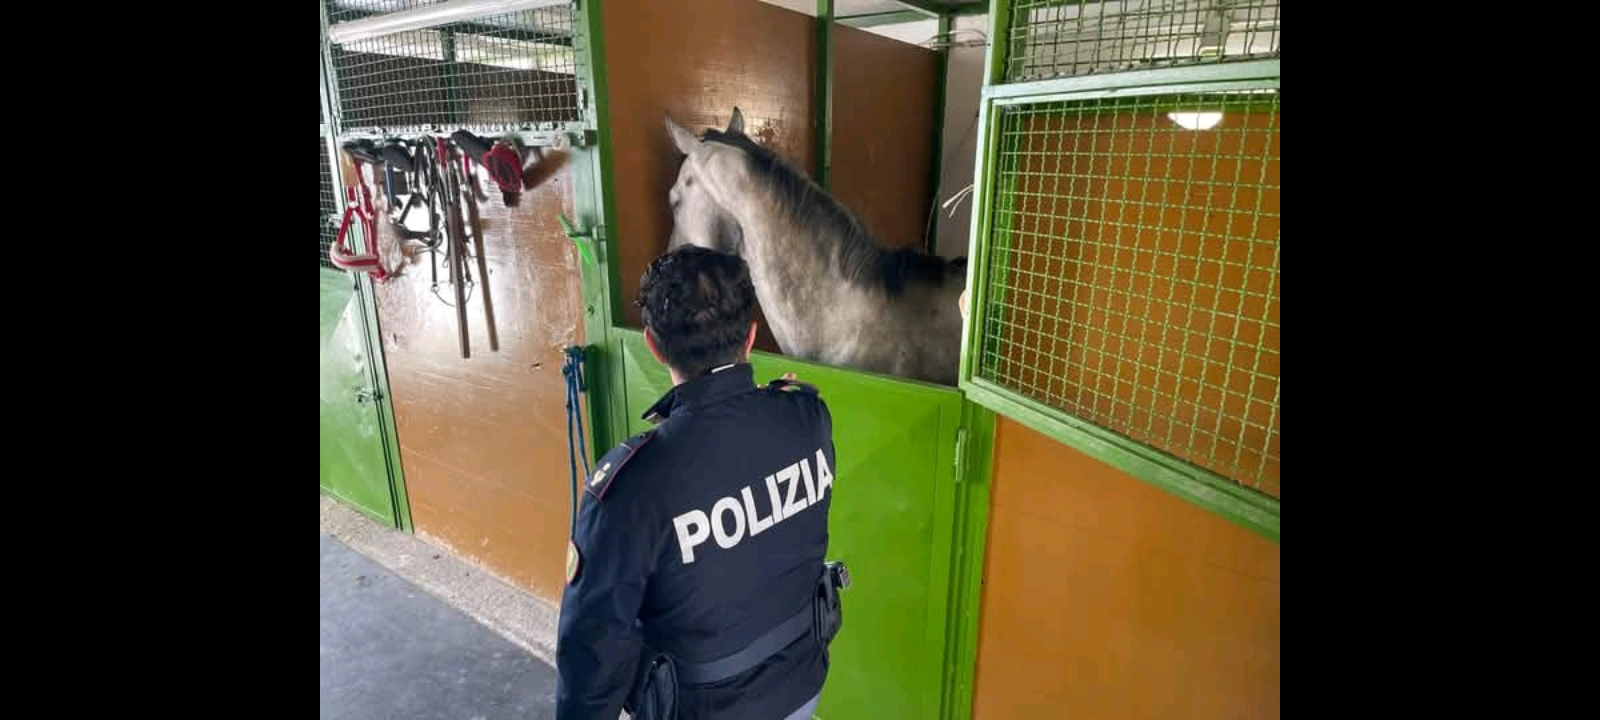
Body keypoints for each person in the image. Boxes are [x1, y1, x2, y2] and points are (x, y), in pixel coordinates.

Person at [555, 245, 838, 720]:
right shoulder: (807, 418)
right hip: (801, 683)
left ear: (653, 345)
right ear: (752, 336)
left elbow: (593, 652)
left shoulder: (631, 487)